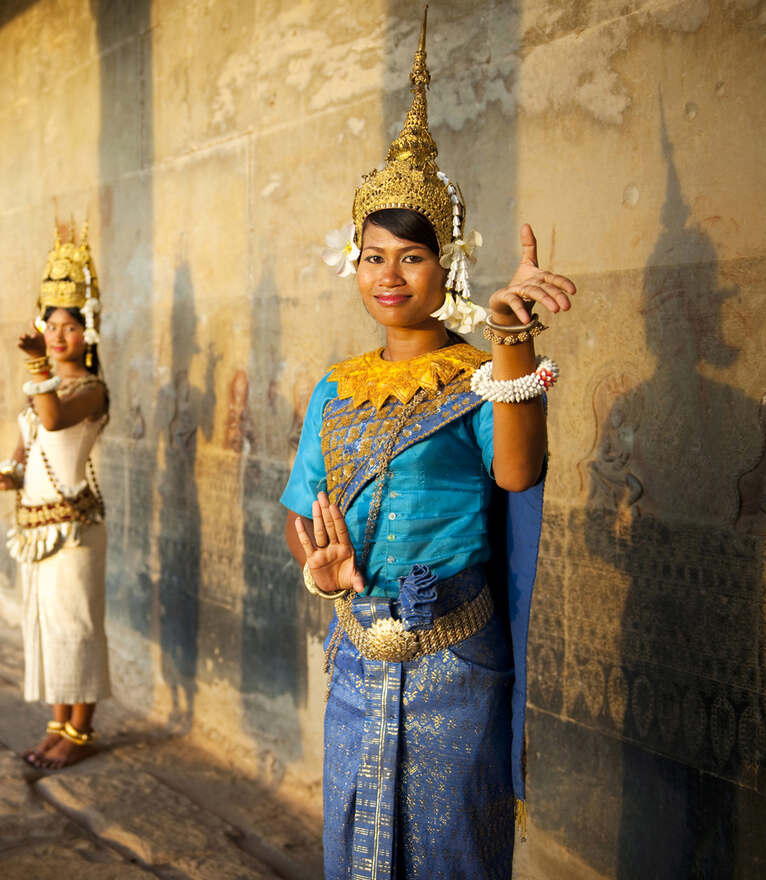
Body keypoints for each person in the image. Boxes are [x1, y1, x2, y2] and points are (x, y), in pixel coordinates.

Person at [280, 11, 576, 879]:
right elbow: (306, 514)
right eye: (373, 256)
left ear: (448, 267)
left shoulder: (483, 373)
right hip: (358, 650)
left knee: (450, 852)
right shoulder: (336, 386)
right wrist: (323, 575)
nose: (388, 276)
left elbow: (520, 472)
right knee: (357, 844)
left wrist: (512, 339)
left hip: (456, 654)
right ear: (354, 261)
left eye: (411, 257)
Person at [0, 223, 111, 770]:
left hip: (76, 530)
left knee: (77, 626)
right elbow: (27, 451)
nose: (58, 337)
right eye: (50, 326)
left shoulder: (89, 390)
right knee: (47, 627)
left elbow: (54, 420)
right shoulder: (42, 393)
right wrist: (6, 478)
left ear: (89, 334)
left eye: (69, 328)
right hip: (35, 529)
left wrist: (36, 368)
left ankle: (82, 730)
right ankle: (57, 723)